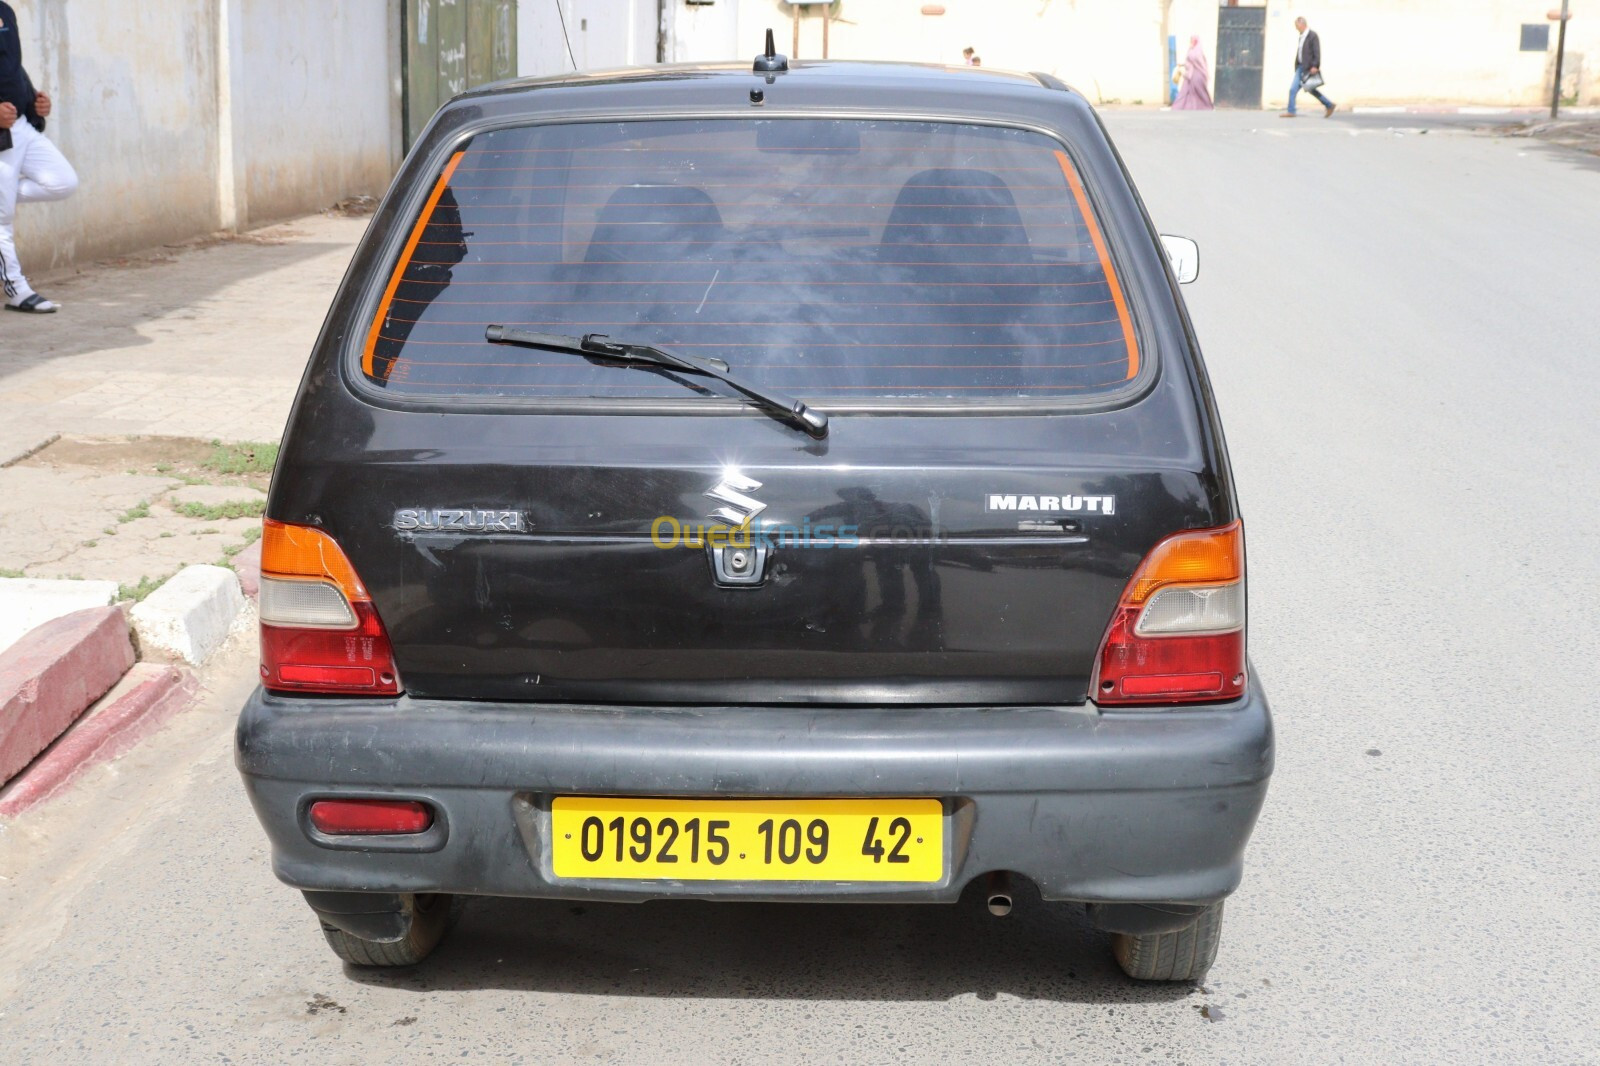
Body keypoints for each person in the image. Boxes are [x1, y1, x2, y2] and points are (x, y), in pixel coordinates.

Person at [0, 1, 78, 314]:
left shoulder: (5, 11)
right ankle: (17, 289)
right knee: (1, 219)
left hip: (19, 124)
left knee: (63, 182)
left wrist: (33, 103)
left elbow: (13, 66)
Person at [1282, 15, 1336, 118]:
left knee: (1310, 89)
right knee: (1294, 89)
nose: (1296, 28)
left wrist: (1315, 65)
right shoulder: (1301, 36)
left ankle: (1329, 105)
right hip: (1300, 67)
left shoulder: (1312, 36)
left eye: (1296, 26)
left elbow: (1317, 51)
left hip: (1308, 68)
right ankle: (1291, 111)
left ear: (1302, 24)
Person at [1172, 35, 1214, 111]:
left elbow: (1199, 64)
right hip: (1192, 75)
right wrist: (1183, 65)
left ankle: (1205, 106)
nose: (1191, 42)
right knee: (1190, 93)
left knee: (1196, 93)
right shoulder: (1194, 50)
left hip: (1195, 75)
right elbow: (1192, 63)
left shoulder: (1195, 52)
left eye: (1193, 40)